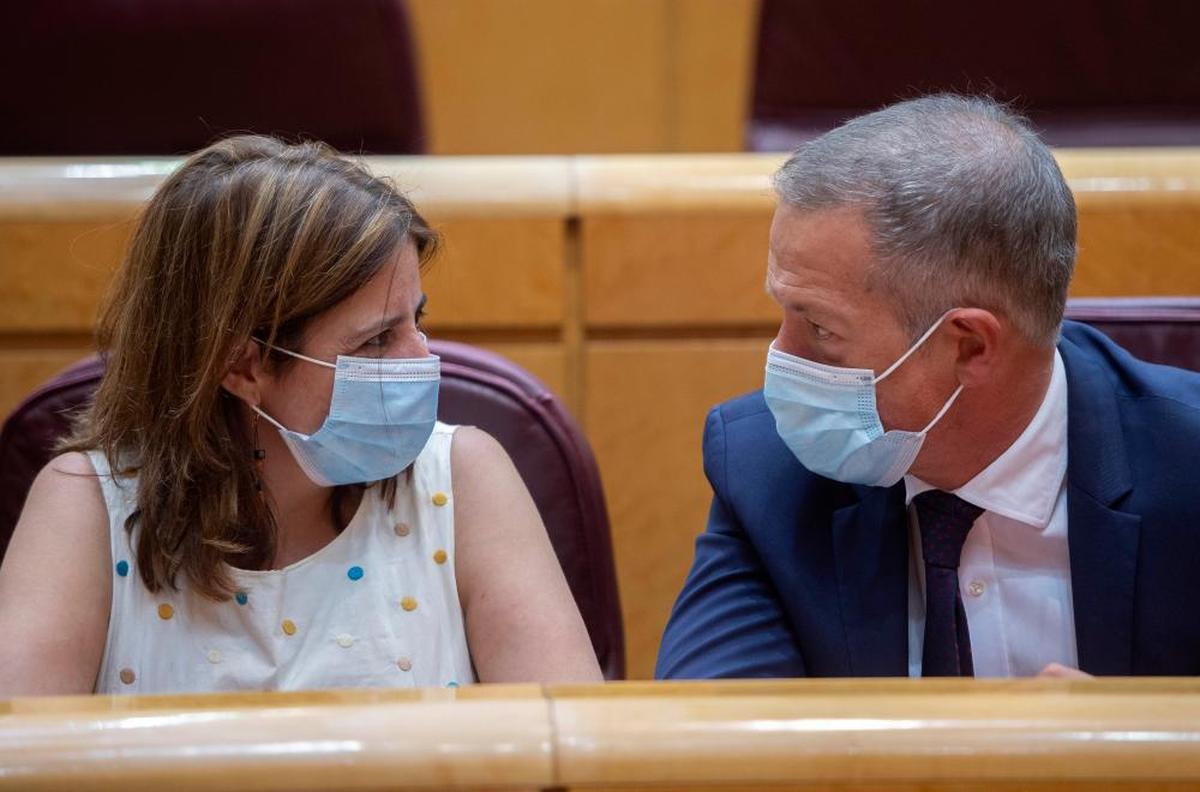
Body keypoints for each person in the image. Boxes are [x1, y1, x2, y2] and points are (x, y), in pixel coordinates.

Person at [0, 135, 601, 695]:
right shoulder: (83, 505)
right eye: (376, 340)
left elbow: (575, 757)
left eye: (417, 321)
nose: (423, 362)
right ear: (241, 366)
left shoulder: (466, 480)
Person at [657, 95, 1200, 679]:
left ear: (969, 345)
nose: (781, 360)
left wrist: (1143, 751)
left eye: (820, 328)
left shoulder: (1186, 464)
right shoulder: (769, 473)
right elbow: (711, 748)